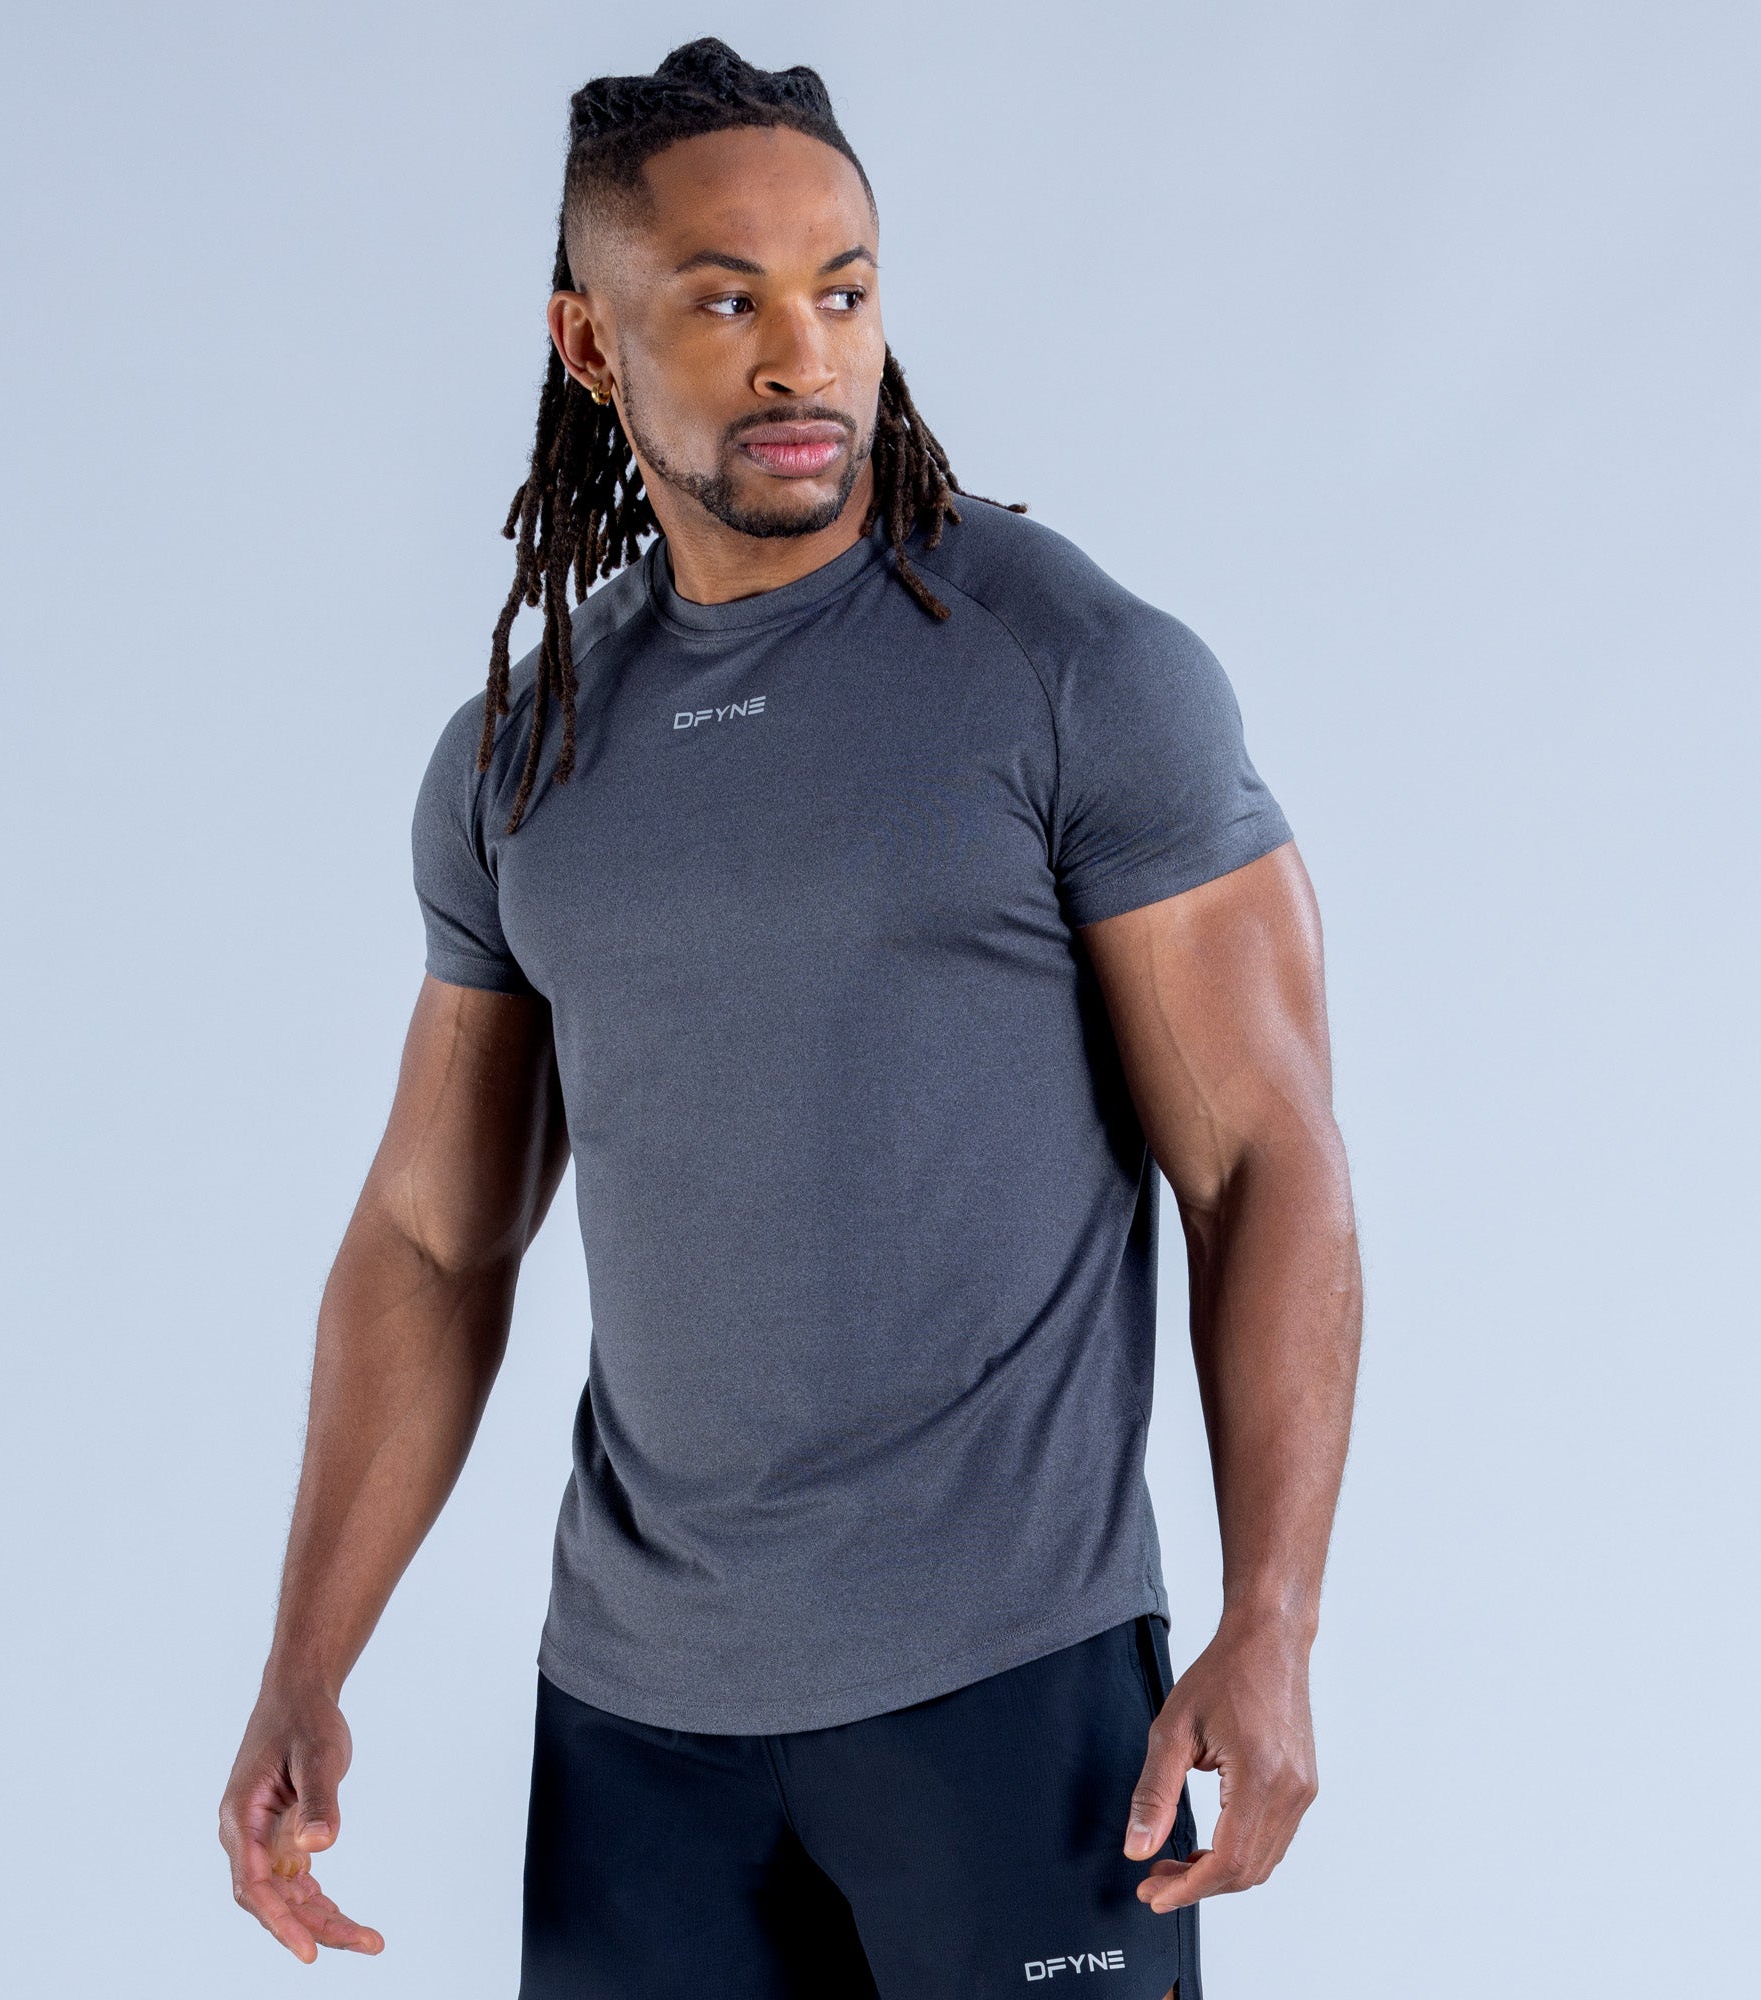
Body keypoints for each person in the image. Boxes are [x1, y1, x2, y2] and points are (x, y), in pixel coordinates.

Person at [218, 38, 1361, 2000]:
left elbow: (1265, 1157)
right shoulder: (521, 759)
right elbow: (429, 1237)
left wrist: (1274, 1619)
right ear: (591, 343)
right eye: (726, 300)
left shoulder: (1068, 672)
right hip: (639, 1735)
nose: (800, 357)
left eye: (842, 291)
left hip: (1014, 1698)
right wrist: (304, 1661)